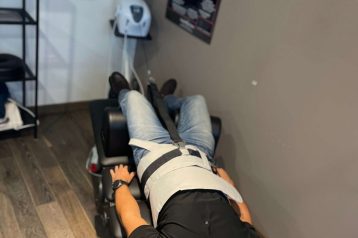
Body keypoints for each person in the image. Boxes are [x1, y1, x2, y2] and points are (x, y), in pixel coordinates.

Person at [109, 73, 260, 238]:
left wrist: (120, 183)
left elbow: (130, 217)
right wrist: (231, 187)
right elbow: (246, 220)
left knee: (133, 98)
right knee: (196, 100)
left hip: (154, 152)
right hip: (200, 153)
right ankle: (165, 100)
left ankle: (122, 92)